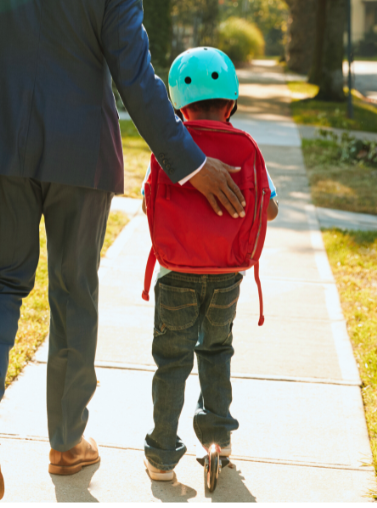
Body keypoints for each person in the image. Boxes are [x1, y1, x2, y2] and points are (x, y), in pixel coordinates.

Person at [0, 0, 247, 502]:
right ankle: (66, 442)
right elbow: (136, 78)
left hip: (2, 149)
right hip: (82, 159)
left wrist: (1, 86)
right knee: (73, 295)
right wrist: (190, 162)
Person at [141, 47, 279, 483]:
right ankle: (218, 440)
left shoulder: (172, 146)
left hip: (175, 272)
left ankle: (162, 456)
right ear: (232, 102)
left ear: (178, 104)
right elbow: (270, 208)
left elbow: (149, 200)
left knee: (172, 361)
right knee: (216, 351)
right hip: (226, 276)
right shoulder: (245, 146)